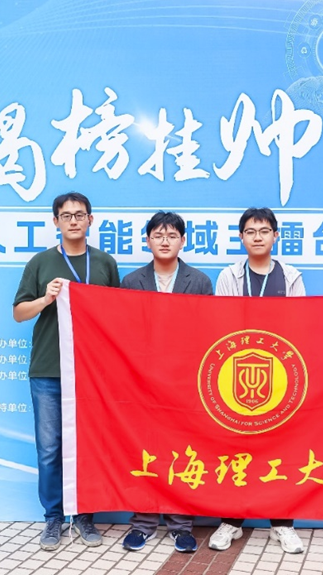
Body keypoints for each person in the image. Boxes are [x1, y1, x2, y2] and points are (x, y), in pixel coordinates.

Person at [13, 192, 120, 550]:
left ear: (91, 219)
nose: (74, 221)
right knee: (49, 449)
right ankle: (53, 518)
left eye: (80, 214)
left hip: (92, 373)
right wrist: (45, 299)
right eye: (66, 215)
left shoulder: (104, 263)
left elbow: (118, 316)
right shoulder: (41, 263)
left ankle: (85, 516)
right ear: (55, 221)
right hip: (48, 370)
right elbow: (19, 313)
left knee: (88, 446)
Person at [209, 207, 306, 554]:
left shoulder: (291, 276)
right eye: (250, 231)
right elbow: (222, 324)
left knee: (281, 449)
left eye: (264, 231)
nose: (257, 237)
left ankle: (282, 524)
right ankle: (231, 522)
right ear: (241, 237)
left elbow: (300, 324)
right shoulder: (229, 275)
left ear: (276, 236)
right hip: (235, 374)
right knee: (234, 447)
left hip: (280, 377)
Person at [119, 211, 214, 554]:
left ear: (182, 241)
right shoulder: (131, 281)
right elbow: (123, 331)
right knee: (144, 450)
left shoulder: (199, 281)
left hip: (184, 382)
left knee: (182, 450)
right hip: (142, 382)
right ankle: (142, 523)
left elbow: (208, 333)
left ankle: (181, 526)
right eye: (158, 235)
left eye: (171, 235)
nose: (164, 241)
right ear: (147, 240)